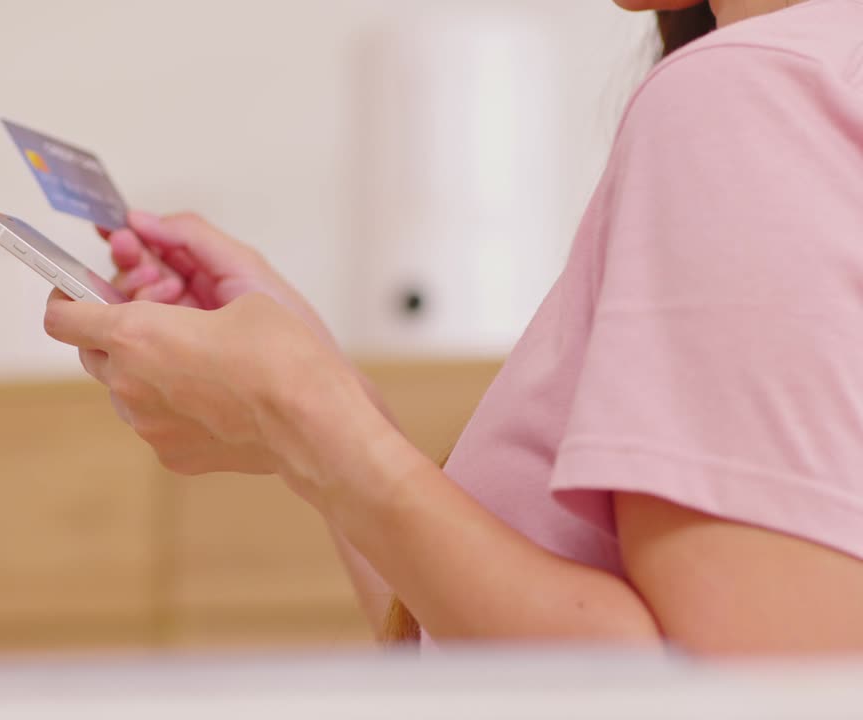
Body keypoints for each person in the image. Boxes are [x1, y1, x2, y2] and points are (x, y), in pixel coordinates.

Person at [43, 0, 863, 654]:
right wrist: (330, 410)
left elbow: (757, 690)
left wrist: (309, 422)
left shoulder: (747, 88)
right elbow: (479, 661)